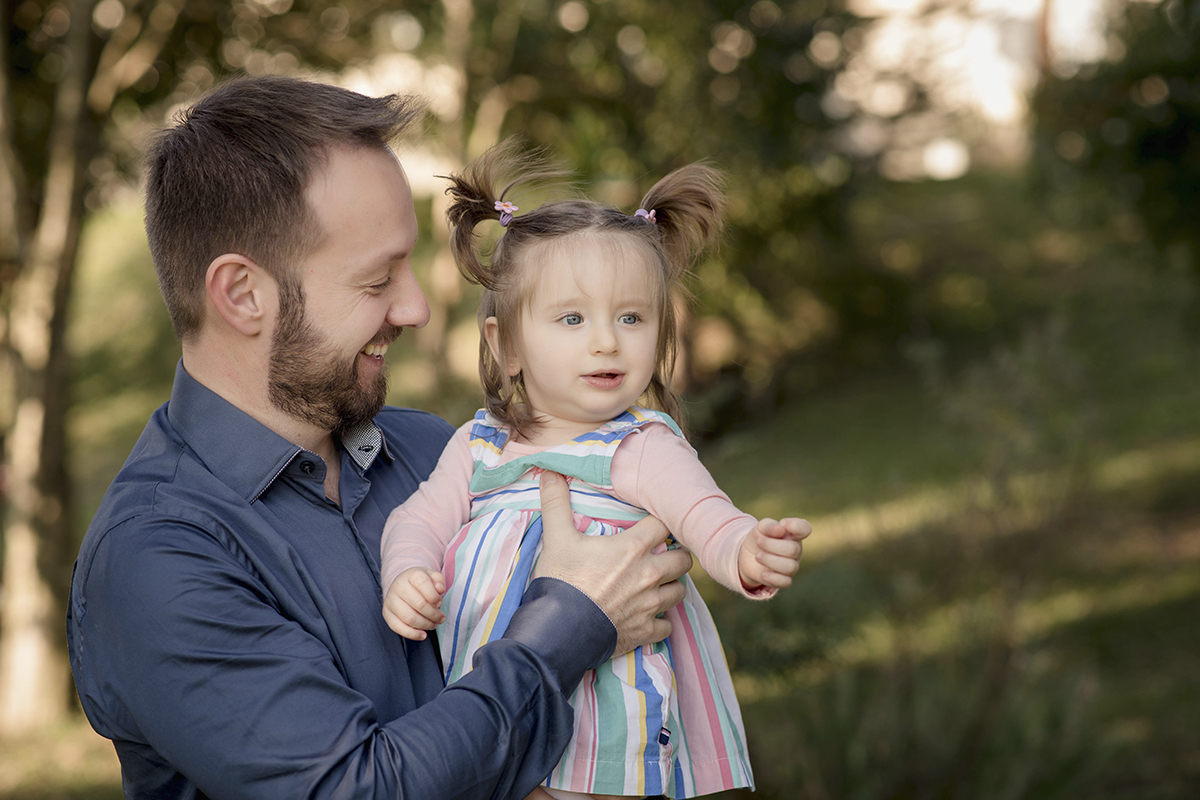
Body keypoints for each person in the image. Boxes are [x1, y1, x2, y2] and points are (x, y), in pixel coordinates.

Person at [66, 75, 694, 800]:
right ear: (242, 294)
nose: (417, 308)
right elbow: (357, 788)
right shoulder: (157, 556)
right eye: (376, 281)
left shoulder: (436, 452)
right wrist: (567, 626)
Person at [379, 143, 812, 800]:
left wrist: (746, 550)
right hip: (498, 717)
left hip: (607, 723)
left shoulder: (641, 445)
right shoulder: (479, 445)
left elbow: (706, 516)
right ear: (507, 345)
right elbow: (417, 521)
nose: (607, 340)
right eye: (573, 318)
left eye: (631, 317)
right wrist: (406, 572)